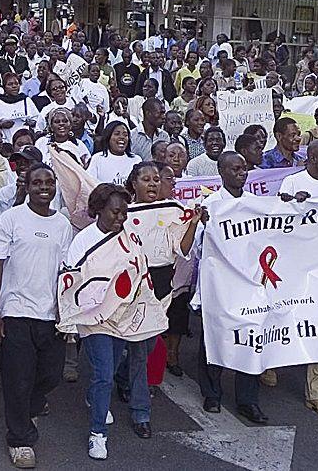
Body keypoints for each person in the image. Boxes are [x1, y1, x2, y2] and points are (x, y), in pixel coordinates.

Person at [0, 163, 71, 468]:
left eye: (49, 182)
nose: (43, 187)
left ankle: (27, 409)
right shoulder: (11, 219)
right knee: (18, 379)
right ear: (27, 186)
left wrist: (66, 313)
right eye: (37, 182)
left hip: (51, 315)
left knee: (50, 375)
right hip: (16, 312)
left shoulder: (63, 225)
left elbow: (66, 273)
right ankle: (19, 439)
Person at [117, 162, 201, 436]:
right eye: (145, 179)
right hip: (130, 283)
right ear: (133, 184)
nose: (152, 184)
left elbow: (183, 248)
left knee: (146, 345)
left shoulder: (174, 210)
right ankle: (128, 390)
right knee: (124, 345)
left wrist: (194, 222)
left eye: (156, 179)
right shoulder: (122, 214)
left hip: (161, 284)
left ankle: (138, 404)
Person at [194, 152, 267, 423]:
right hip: (219, 285)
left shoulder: (255, 205)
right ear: (222, 173)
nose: (241, 173)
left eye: (244, 169)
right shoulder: (210, 205)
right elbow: (196, 247)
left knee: (251, 340)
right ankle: (212, 394)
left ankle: (248, 401)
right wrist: (200, 224)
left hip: (249, 284)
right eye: (235, 169)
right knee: (214, 338)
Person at [63, 183, 131, 460]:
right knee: (103, 373)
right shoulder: (83, 241)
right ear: (99, 210)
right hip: (92, 318)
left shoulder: (128, 236)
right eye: (115, 212)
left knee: (112, 367)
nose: (121, 218)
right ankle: (98, 433)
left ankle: (95, 397)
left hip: (121, 315)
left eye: (125, 213)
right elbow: (71, 280)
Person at [278, 140, 318, 417]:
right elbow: (278, 222)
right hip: (294, 266)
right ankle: (271, 365)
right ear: (313, 158)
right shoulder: (291, 183)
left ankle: (316, 394)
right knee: (284, 318)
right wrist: (293, 205)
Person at [87, 120, 141, 185]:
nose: (122, 137)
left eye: (125, 135)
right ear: (108, 137)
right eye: (117, 134)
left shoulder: (136, 160)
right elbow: (90, 184)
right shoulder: (97, 158)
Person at [0, 72, 38, 143]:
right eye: (10, 84)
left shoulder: (26, 100)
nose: (14, 86)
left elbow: (37, 119)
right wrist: (1, 124)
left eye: (16, 83)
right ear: (4, 87)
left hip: (25, 140)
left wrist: (31, 122)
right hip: (6, 142)